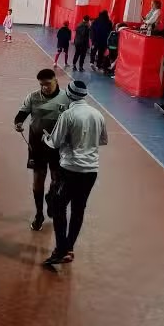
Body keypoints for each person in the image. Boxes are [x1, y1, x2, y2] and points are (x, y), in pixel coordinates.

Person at [42, 80, 107, 266]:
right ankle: (69, 248)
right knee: (78, 209)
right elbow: (102, 140)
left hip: (70, 169)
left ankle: (60, 249)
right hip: (91, 171)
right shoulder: (98, 114)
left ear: (69, 95)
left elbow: (54, 142)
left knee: (58, 206)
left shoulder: (68, 115)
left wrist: (47, 138)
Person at [14, 69, 70, 231]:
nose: (44, 87)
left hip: (58, 147)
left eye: (47, 84)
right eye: (41, 85)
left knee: (56, 180)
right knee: (38, 180)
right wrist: (18, 123)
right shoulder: (33, 97)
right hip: (37, 146)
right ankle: (39, 214)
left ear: (55, 81)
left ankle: (51, 198)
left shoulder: (66, 98)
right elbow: (21, 114)